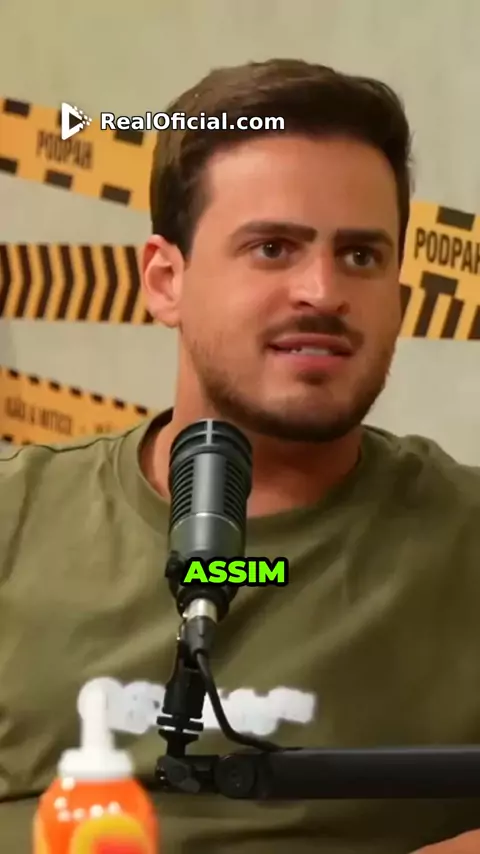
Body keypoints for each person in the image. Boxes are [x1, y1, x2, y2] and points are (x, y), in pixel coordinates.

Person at [1, 57, 480, 854]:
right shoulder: (16, 518)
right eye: (273, 247)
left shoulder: (465, 540)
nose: (322, 290)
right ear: (165, 280)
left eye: (362, 256)